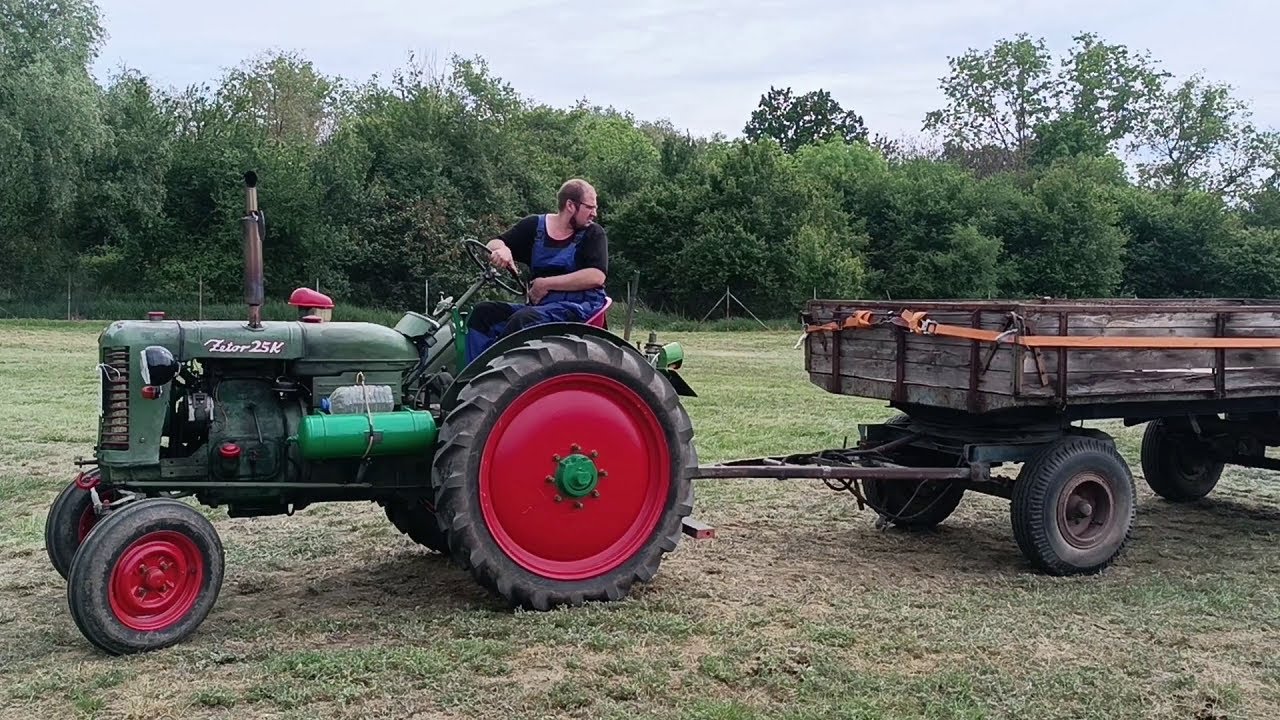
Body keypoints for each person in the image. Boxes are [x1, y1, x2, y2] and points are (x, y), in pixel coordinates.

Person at [464, 178, 609, 363]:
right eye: (590, 207)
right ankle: (474, 378)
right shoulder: (534, 226)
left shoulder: (593, 234)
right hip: (542, 307)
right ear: (570, 205)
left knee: (524, 319)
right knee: (482, 314)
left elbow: (596, 276)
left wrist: (546, 284)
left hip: (579, 307)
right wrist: (502, 250)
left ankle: (501, 381)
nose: (594, 214)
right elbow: (494, 242)